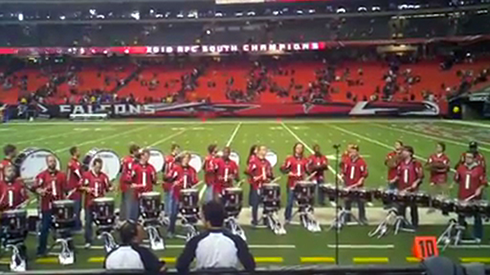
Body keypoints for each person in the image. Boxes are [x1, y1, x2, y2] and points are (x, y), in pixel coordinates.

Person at [176, 201, 255, 274]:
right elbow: (250, 266)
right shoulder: (236, 240)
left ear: (208, 221)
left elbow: (181, 266)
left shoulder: (196, 241)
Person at [32, 154, 67, 256]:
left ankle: (68, 247)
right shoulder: (42, 175)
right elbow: (35, 187)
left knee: (64, 227)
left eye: (54, 161)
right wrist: (40, 191)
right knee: (45, 228)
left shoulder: (61, 175)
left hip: (59, 205)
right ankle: (41, 249)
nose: (52, 163)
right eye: (50, 161)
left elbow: (65, 189)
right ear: (47, 163)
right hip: (47, 206)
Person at [452, 151, 487, 242]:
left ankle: (478, 235)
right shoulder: (461, 168)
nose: (467, 159)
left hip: (474, 197)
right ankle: (461, 234)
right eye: (466, 157)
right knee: (461, 215)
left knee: (477, 216)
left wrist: (479, 189)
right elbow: (456, 179)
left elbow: (484, 182)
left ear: (474, 159)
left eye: (470, 157)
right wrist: (452, 185)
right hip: (463, 195)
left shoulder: (479, 169)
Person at [389, 146, 424, 229]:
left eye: (405, 151)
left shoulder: (416, 163)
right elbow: (398, 174)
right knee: (401, 206)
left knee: (413, 207)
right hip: (402, 188)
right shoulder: (401, 163)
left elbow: (420, 176)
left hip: (412, 189)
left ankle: (414, 224)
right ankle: (402, 222)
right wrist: (393, 180)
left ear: (410, 153)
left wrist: (415, 183)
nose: (403, 153)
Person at [80, 158, 111, 248]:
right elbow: (79, 186)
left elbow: (108, 187)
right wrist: (86, 189)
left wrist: (111, 188)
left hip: (100, 203)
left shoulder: (103, 176)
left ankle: (104, 237)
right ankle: (88, 240)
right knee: (88, 221)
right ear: (93, 166)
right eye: (97, 167)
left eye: (100, 167)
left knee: (103, 221)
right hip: (89, 202)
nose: (98, 169)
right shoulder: (87, 175)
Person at [166, 152, 198, 237]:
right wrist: (174, 181)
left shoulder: (192, 170)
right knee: (173, 213)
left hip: (186, 194)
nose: (187, 160)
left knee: (190, 212)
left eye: (188, 159)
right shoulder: (176, 169)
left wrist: (191, 184)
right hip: (177, 193)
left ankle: (190, 228)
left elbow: (194, 181)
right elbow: (168, 177)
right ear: (182, 159)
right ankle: (170, 230)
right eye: (185, 158)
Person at [280, 142, 309, 223]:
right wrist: (288, 172)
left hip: (301, 184)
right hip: (292, 183)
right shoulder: (290, 159)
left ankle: (302, 216)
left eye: (300, 148)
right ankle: (287, 217)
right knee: (290, 201)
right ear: (294, 149)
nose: (299, 150)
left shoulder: (305, 160)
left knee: (302, 202)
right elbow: (283, 169)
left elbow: (308, 170)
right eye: (297, 148)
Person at [246, 145, 273, 226]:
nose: (265, 152)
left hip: (265, 185)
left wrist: (269, 176)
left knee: (266, 202)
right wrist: (254, 177)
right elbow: (249, 171)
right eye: (263, 150)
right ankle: (254, 220)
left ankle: (265, 218)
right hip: (257, 185)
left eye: (265, 150)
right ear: (258, 151)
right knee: (255, 203)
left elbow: (270, 173)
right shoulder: (254, 161)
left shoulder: (267, 162)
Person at [341, 145, 368, 224]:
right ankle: (347, 216)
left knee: (360, 202)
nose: (352, 153)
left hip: (358, 186)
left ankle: (362, 217)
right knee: (347, 201)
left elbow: (365, 173)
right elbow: (344, 171)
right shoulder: (347, 161)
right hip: (349, 184)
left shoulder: (361, 162)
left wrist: (361, 179)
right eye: (351, 152)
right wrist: (342, 175)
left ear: (357, 152)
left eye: (353, 152)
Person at [129, 149, 157, 221]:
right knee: (135, 214)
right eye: (146, 156)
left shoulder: (151, 167)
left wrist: (155, 180)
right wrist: (133, 185)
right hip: (138, 193)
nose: (147, 158)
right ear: (141, 156)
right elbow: (130, 179)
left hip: (148, 193)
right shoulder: (136, 167)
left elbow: (154, 180)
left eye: (148, 156)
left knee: (149, 213)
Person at [119, 144, 140, 221]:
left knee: (124, 202)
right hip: (129, 183)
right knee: (129, 203)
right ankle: (128, 220)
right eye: (137, 151)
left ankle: (122, 219)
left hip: (123, 183)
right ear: (134, 151)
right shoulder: (131, 161)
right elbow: (131, 173)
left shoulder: (125, 158)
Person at [66, 146, 83, 231]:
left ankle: (77, 224)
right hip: (74, 189)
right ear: (75, 152)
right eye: (78, 151)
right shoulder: (73, 163)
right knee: (76, 208)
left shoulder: (75, 162)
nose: (80, 152)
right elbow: (79, 175)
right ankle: (76, 226)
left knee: (77, 208)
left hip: (76, 189)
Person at [162, 144, 180, 217]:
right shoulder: (172, 159)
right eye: (177, 150)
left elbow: (163, 169)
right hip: (170, 180)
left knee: (167, 197)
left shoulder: (167, 158)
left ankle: (167, 212)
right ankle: (170, 213)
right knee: (170, 198)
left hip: (167, 179)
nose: (178, 151)